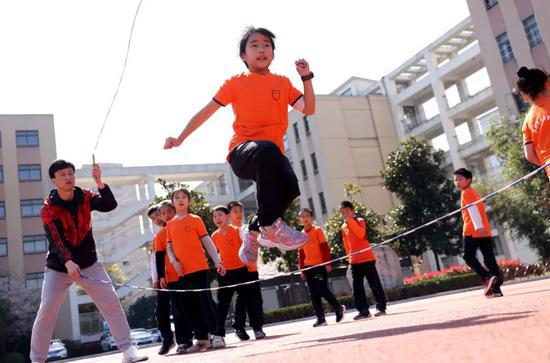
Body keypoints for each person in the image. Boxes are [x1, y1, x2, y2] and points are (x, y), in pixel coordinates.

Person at [164, 26, 315, 266]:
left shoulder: (283, 83)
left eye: (266, 45)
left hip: (271, 156)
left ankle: (253, 233)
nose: (261, 49)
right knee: (266, 149)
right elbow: (206, 111)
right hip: (243, 152)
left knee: (290, 187)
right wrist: (181, 138)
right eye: (254, 45)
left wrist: (306, 77)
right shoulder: (235, 83)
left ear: (273, 54)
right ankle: (270, 226)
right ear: (244, 56)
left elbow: (308, 108)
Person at [30, 160, 147, 363]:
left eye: (70, 173)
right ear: (54, 180)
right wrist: (68, 261)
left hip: (89, 263)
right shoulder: (48, 209)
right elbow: (56, 239)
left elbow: (109, 204)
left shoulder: (85, 196)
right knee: (47, 308)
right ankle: (37, 359)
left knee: (110, 301)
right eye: (62, 174)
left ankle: (128, 350)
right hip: (58, 267)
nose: (68, 177)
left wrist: (99, 182)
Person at [165, 188, 226, 352]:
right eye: (176, 198)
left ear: (189, 201)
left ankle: (217, 335)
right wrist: (173, 261)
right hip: (182, 273)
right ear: (173, 202)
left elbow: (207, 242)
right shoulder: (170, 224)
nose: (180, 200)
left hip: (200, 269)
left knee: (205, 303)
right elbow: (169, 247)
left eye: (184, 197)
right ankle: (202, 340)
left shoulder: (196, 219)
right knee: (190, 306)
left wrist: (217, 261)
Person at [211, 205, 258, 345]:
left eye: (220, 215)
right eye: (214, 216)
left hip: (241, 270)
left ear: (227, 216)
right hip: (225, 273)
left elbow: (247, 249)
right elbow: (216, 255)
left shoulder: (238, 231)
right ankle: (219, 334)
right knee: (223, 304)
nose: (217, 218)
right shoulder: (214, 236)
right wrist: (219, 265)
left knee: (242, 301)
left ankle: (239, 328)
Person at [453, 168, 503, 297]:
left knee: (468, 256)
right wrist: (481, 227)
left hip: (472, 230)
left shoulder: (466, 193)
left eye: (460, 179)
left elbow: (472, 209)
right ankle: (496, 287)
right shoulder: (474, 192)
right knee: (489, 259)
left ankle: (487, 277)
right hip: (484, 230)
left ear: (468, 180)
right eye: (455, 180)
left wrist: (478, 226)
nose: (457, 182)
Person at [154, 201, 195, 354]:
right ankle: (183, 341)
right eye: (163, 213)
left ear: (175, 210)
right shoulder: (160, 234)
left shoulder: (185, 225)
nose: (167, 215)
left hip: (189, 274)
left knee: (192, 308)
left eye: (169, 211)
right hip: (172, 278)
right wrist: (161, 276)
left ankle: (201, 336)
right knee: (178, 311)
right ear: (161, 217)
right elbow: (159, 256)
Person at [339, 201, 387, 320]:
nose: (345, 214)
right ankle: (363, 310)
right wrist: (349, 258)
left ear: (353, 211)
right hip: (355, 261)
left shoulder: (360, 221)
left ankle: (381, 307)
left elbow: (361, 234)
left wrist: (350, 221)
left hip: (367, 258)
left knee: (374, 284)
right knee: (357, 288)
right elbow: (347, 245)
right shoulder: (343, 227)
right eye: (343, 213)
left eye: (347, 211)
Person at [298, 208, 345, 327]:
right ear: (300, 220)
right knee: (313, 294)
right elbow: (301, 254)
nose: (305, 218)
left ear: (312, 218)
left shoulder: (317, 230)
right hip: (308, 267)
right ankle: (321, 318)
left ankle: (338, 308)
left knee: (322, 289)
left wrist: (327, 263)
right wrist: (302, 270)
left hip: (319, 266)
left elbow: (325, 248)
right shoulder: (300, 235)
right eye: (302, 217)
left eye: (307, 216)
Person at [227, 201, 265, 340]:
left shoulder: (247, 228)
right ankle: (239, 327)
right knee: (242, 300)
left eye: (240, 211)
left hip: (252, 268)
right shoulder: (229, 230)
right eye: (234, 211)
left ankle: (258, 328)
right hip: (239, 270)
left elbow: (257, 243)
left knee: (256, 300)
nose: (238, 214)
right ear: (229, 214)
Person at [146, 205, 175, 355]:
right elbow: (154, 260)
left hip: (178, 276)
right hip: (163, 280)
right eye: (153, 219)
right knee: (161, 311)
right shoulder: (157, 237)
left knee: (183, 308)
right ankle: (167, 339)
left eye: (158, 215)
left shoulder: (175, 229)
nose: (157, 219)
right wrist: (156, 278)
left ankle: (193, 336)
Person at [516, 66, 550, 180]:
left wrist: (547, 162)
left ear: (525, 95)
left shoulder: (528, 122)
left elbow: (529, 155)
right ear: (546, 83)